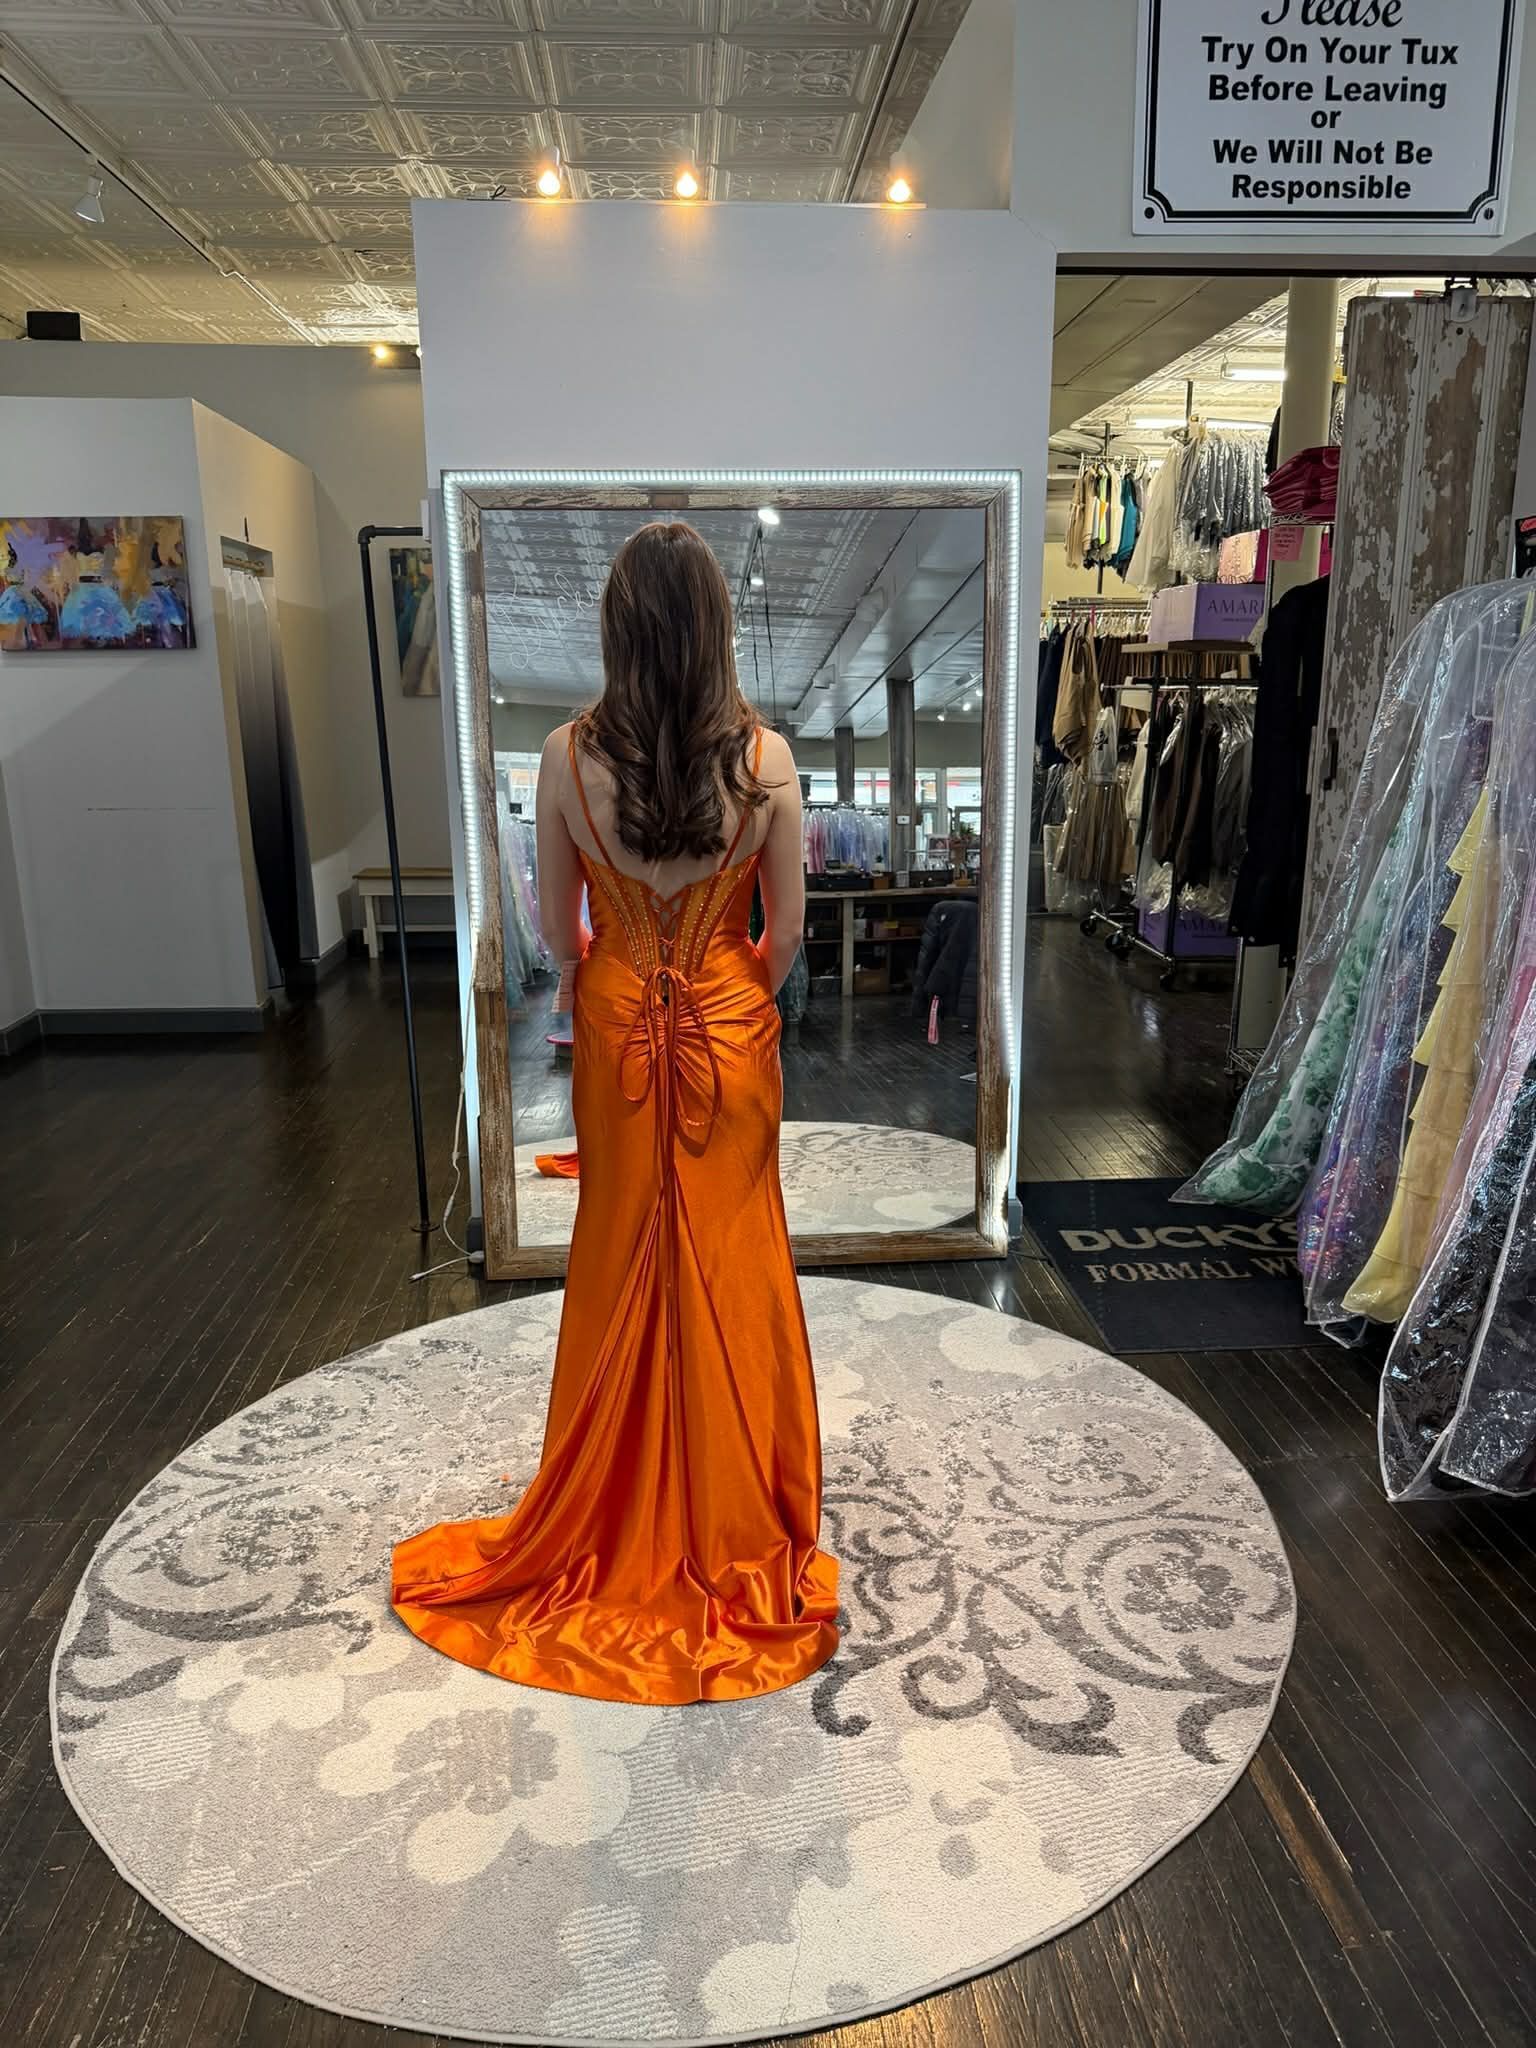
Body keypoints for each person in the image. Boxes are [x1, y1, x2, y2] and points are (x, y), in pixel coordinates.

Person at [391, 520, 840, 1705]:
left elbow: (552, 928)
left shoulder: (561, 756)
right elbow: (786, 933)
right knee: (735, 1257)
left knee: (619, 1247)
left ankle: (619, 1493)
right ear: (717, 626)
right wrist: (727, 990)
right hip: (731, 1030)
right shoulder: (772, 760)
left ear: (618, 627)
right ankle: (737, 1508)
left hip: (616, 1017)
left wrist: (626, 973)